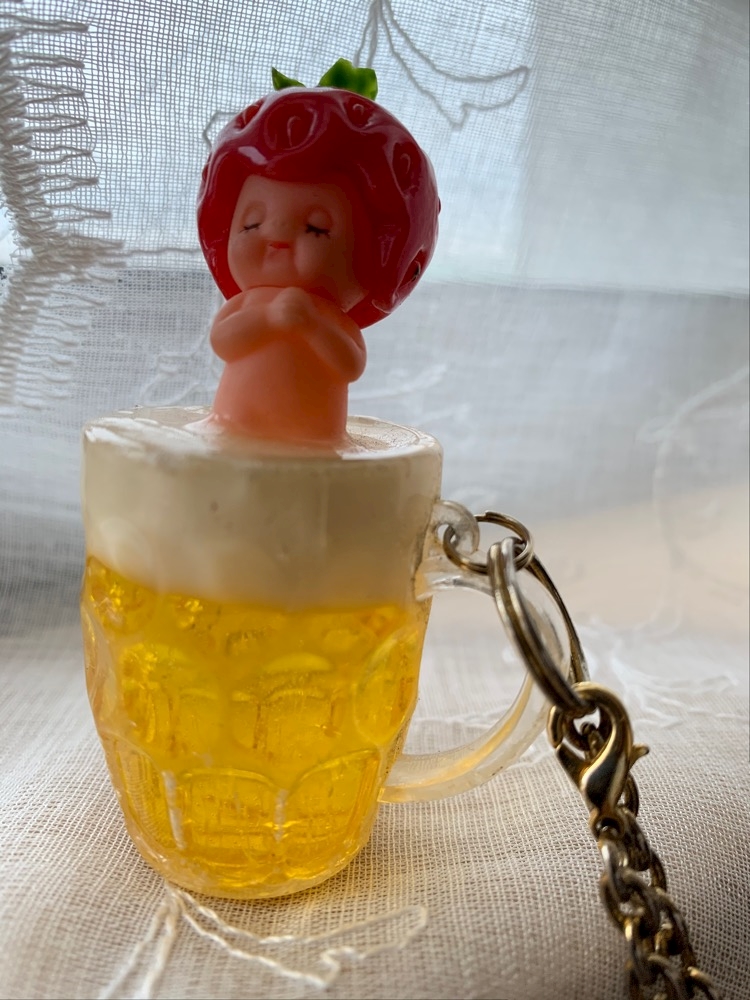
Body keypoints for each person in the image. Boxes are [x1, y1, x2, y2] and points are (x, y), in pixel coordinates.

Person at [197, 81, 440, 446]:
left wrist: (312, 326)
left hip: (316, 436)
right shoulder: (250, 305)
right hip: (236, 422)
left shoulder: (329, 319)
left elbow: (350, 363)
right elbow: (223, 341)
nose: (276, 234)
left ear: (378, 260)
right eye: (251, 224)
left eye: (315, 228)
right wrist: (267, 318)